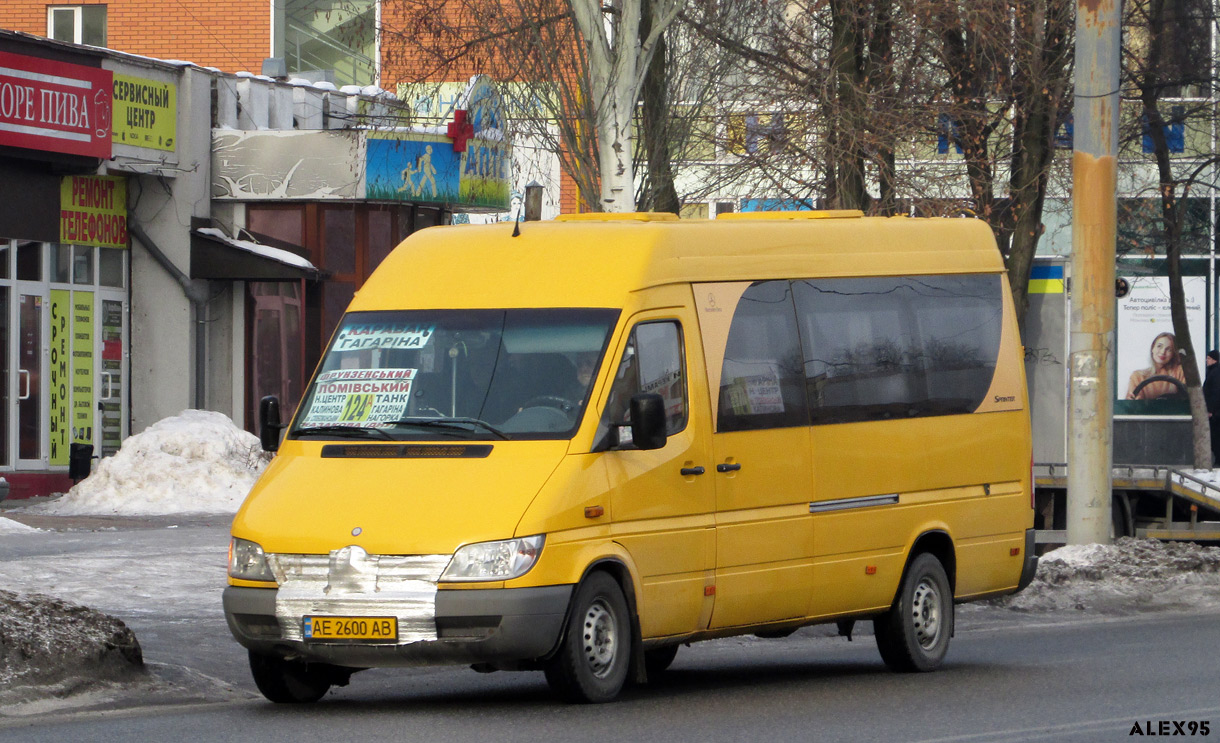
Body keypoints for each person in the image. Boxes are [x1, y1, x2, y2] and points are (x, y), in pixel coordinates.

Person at [1126, 332, 1187, 400]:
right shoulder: (1137, 376)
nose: (1162, 352)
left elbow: (1188, 398)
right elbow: (1132, 405)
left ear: (1173, 353)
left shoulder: (1180, 371)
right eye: (1159, 346)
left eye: (1169, 349)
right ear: (1152, 348)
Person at [1204, 350, 1220, 463]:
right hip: (1215, 412)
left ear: (1214, 360)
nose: (1206, 360)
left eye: (1209, 358)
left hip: (1215, 414)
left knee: (1215, 437)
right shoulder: (1212, 372)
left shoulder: (1215, 373)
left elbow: (1215, 393)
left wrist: (1211, 410)